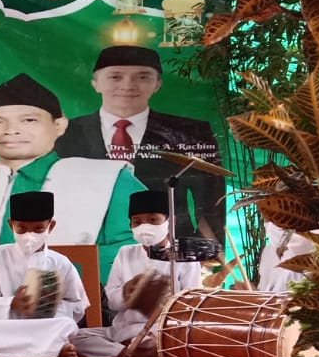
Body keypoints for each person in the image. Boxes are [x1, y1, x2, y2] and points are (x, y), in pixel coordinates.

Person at [0, 72, 144, 279]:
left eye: (29, 120)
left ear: (59, 125)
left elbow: (134, 251)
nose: (12, 130)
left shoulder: (107, 180)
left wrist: (48, 279)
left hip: (62, 300)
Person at [54, 45, 225, 241]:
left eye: (143, 77)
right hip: (89, 245)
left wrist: (207, 250)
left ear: (158, 84)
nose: (128, 86)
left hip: (170, 245)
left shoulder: (189, 132)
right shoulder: (64, 133)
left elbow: (212, 202)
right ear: (95, 83)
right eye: (115, 77)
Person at [0, 190, 85, 357]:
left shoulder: (60, 262)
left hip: (44, 326)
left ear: (51, 226)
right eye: (21, 228)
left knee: (65, 324)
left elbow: (78, 306)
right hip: (6, 327)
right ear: (11, 224)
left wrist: (50, 304)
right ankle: (51, 350)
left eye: (38, 229)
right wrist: (12, 303)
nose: (29, 235)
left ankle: (34, 349)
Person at [71, 190, 203, 357]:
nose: (144, 227)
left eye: (153, 220)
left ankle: (138, 348)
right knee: (73, 337)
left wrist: (158, 300)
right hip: (124, 330)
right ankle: (126, 352)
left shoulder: (185, 256)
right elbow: (112, 303)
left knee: (180, 337)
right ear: (130, 226)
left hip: (164, 329)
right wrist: (127, 293)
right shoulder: (125, 253)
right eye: (137, 222)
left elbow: (190, 306)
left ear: (171, 222)